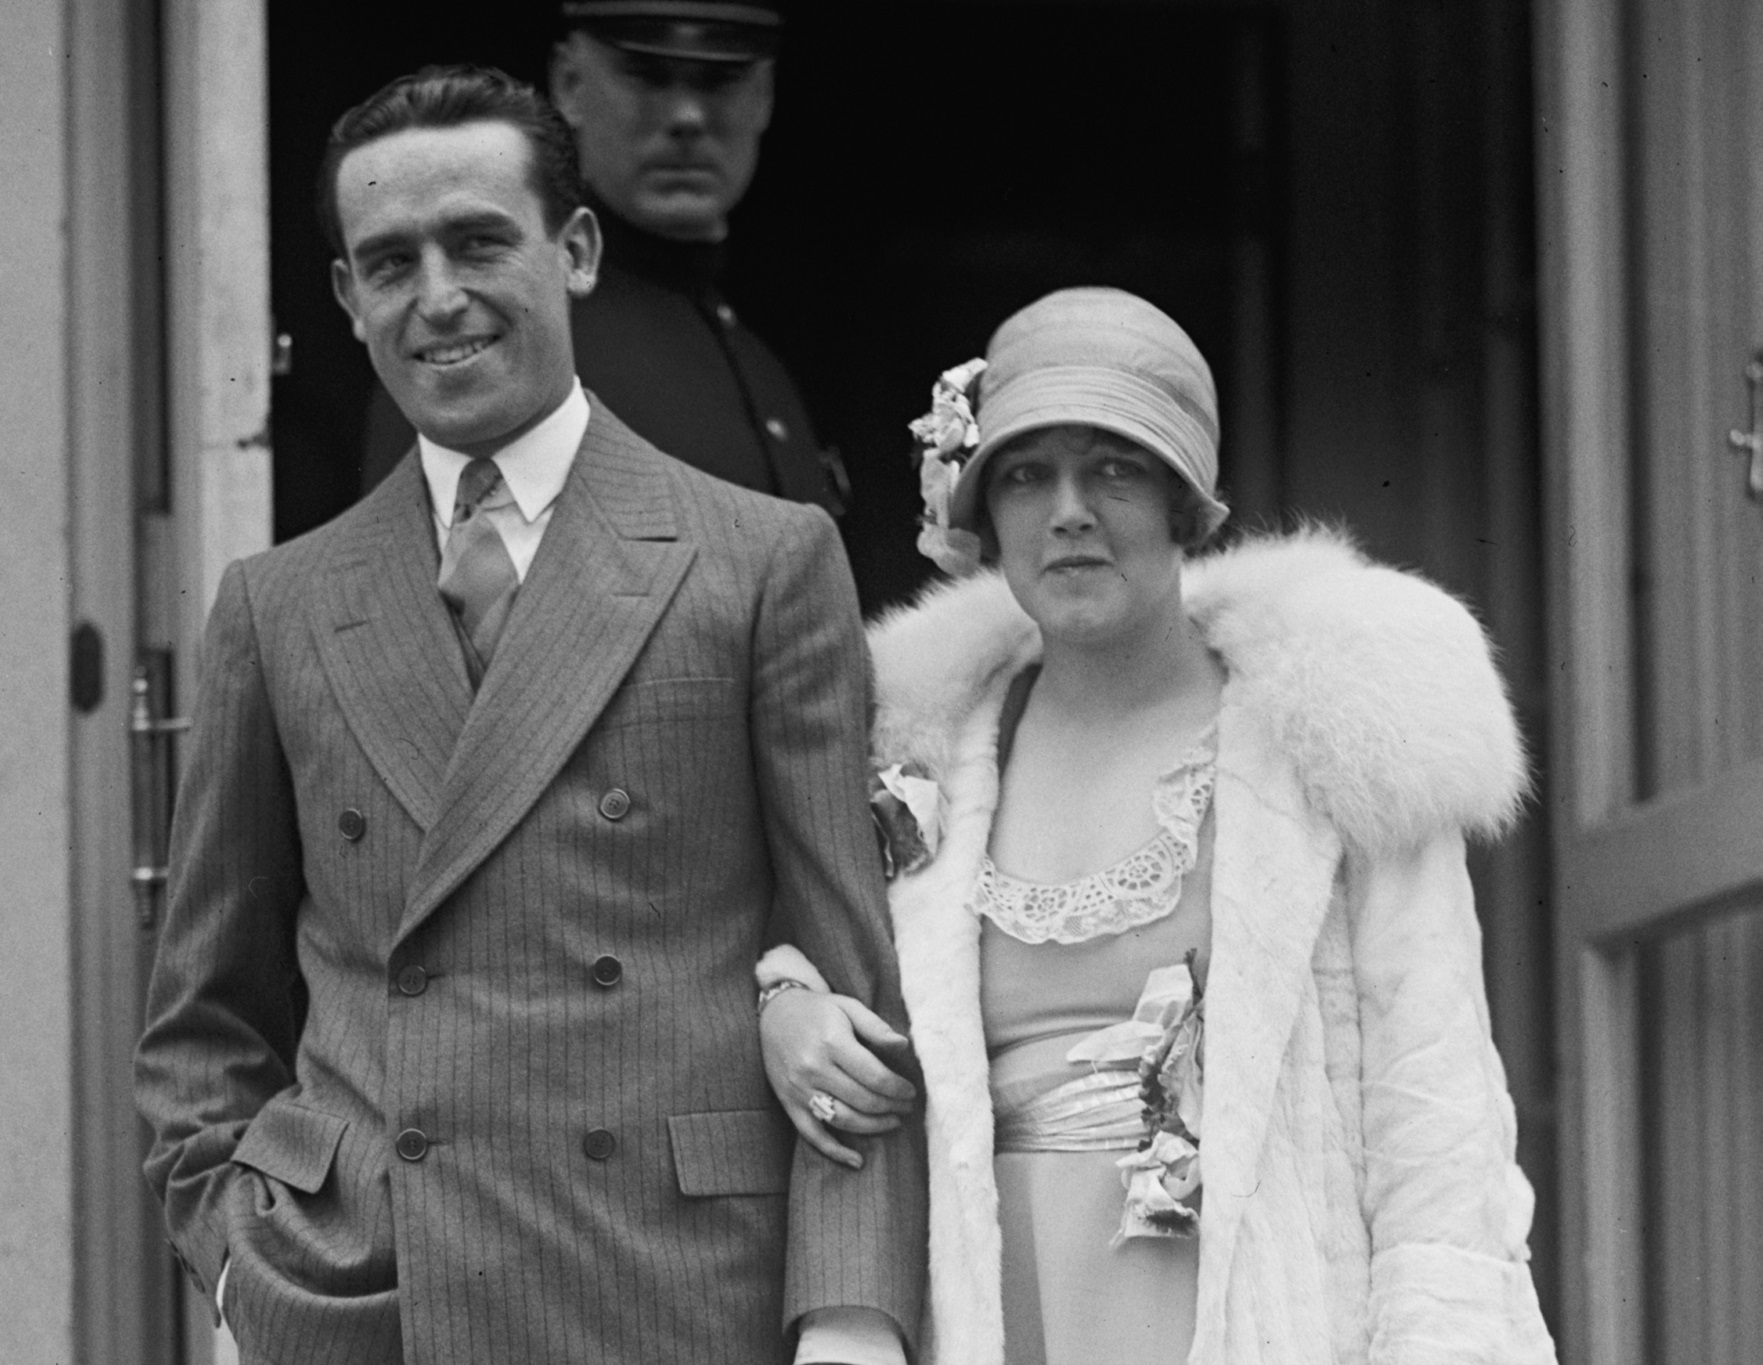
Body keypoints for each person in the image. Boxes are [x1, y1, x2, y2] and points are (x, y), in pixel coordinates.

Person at [134, 65, 923, 1365]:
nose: (436, 297)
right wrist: (239, 1268)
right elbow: (203, 1019)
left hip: (670, 1294)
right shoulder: (276, 605)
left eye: (479, 241)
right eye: (388, 262)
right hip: (363, 1302)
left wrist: (845, 1314)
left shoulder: (759, 559)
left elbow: (848, 979)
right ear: (345, 300)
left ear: (576, 249)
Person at [756, 288, 1558, 1364]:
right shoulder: (911, 748)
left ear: (1187, 507)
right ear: (980, 511)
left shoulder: (1334, 735)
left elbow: (1435, 1110)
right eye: (1027, 475)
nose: (1069, 511)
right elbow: (794, 947)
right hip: (990, 1306)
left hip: (1253, 1313)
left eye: (1115, 469)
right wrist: (783, 998)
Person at [360, 1, 846, 517]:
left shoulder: (765, 356)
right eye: (647, 77)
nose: (687, 116)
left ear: (765, 95)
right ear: (570, 83)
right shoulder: (499, 341)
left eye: (719, 80)